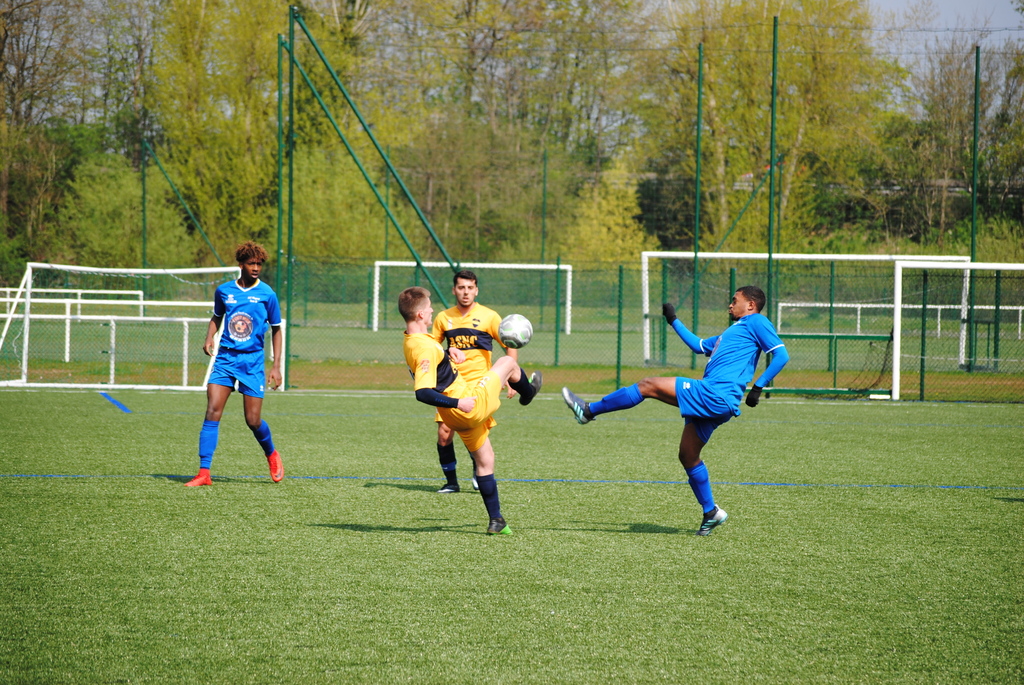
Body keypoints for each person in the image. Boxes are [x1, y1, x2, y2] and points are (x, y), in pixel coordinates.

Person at [561, 285, 789, 535]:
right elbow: (699, 345)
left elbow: (780, 354)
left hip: (715, 394)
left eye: (735, 301)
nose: (730, 305)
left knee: (647, 385)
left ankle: (588, 411)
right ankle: (711, 512)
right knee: (688, 456)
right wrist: (673, 320)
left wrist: (758, 386)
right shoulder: (733, 332)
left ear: (751, 305)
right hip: (719, 402)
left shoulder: (756, 321)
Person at [400, 286, 542, 534]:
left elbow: (430, 359)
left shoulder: (413, 340)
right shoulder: (425, 348)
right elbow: (422, 392)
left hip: (456, 417)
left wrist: (447, 353)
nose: (432, 310)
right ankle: (528, 393)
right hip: (466, 405)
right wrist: (459, 403)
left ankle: (497, 521)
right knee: (507, 361)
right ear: (421, 314)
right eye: (429, 307)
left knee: (486, 461)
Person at [185, 241, 284, 486]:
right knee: (212, 411)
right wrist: (209, 336)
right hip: (225, 359)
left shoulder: (267, 294)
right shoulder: (224, 291)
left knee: (253, 420)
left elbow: (276, 329)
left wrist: (276, 366)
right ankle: (204, 472)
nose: (256, 268)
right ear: (241, 264)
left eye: (259, 264)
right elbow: (217, 316)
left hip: (252, 362)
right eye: (251, 263)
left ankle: (271, 453)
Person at [430, 270, 520, 494]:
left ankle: (479, 471)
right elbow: (432, 349)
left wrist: (511, 378)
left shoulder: (490, 316)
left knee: (475, 433)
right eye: (461, 287)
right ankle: (451, 482)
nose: (465, 292)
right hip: (451, 384)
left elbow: (509, 345)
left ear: (476, 290)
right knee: (444, 434)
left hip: (480, 384)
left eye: (470, 288)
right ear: (454, 290)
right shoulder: (443, 318)